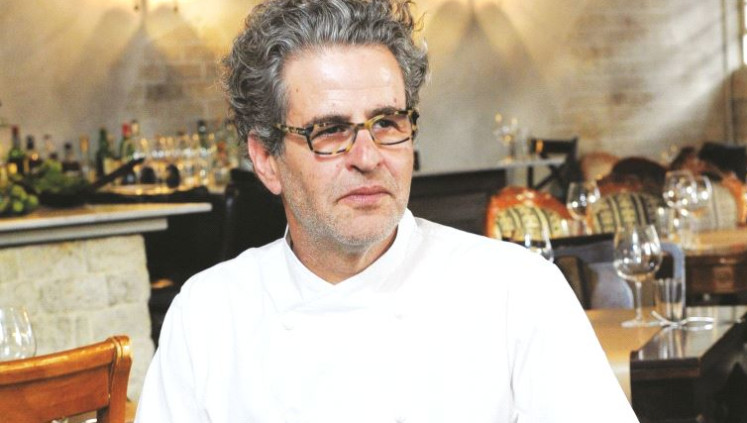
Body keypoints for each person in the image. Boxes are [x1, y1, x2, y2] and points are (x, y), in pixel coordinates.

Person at [135, 0, 638, 421]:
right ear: (266, 159)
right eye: (330, 131)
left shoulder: (517, 291)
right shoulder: (208, 315)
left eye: (387, 123)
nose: (368, 156)